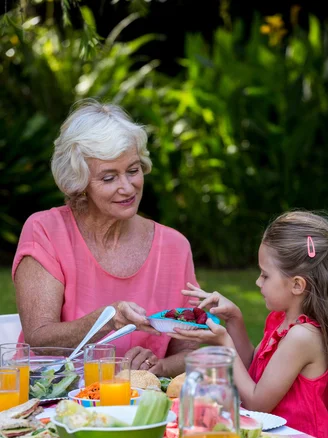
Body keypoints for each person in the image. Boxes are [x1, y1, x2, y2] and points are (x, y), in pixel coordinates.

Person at [12, 100, 199, 376]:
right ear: (79, 182)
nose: (127, 187)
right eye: (109, 178)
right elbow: (39, 339)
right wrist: (108, 319)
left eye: (133, 170)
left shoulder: (174, 247)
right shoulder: (46, 231)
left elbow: (188, 350)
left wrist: (156, 367)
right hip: (52, 400)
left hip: (136, 405)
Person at [168, 211, 328, 438]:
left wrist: (225, 342)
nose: (257, 282)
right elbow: (253, 374)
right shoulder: (281, 321)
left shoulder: (303, 336)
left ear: (297, 285)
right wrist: (234, 320)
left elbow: (256, 402)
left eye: (265, 275)